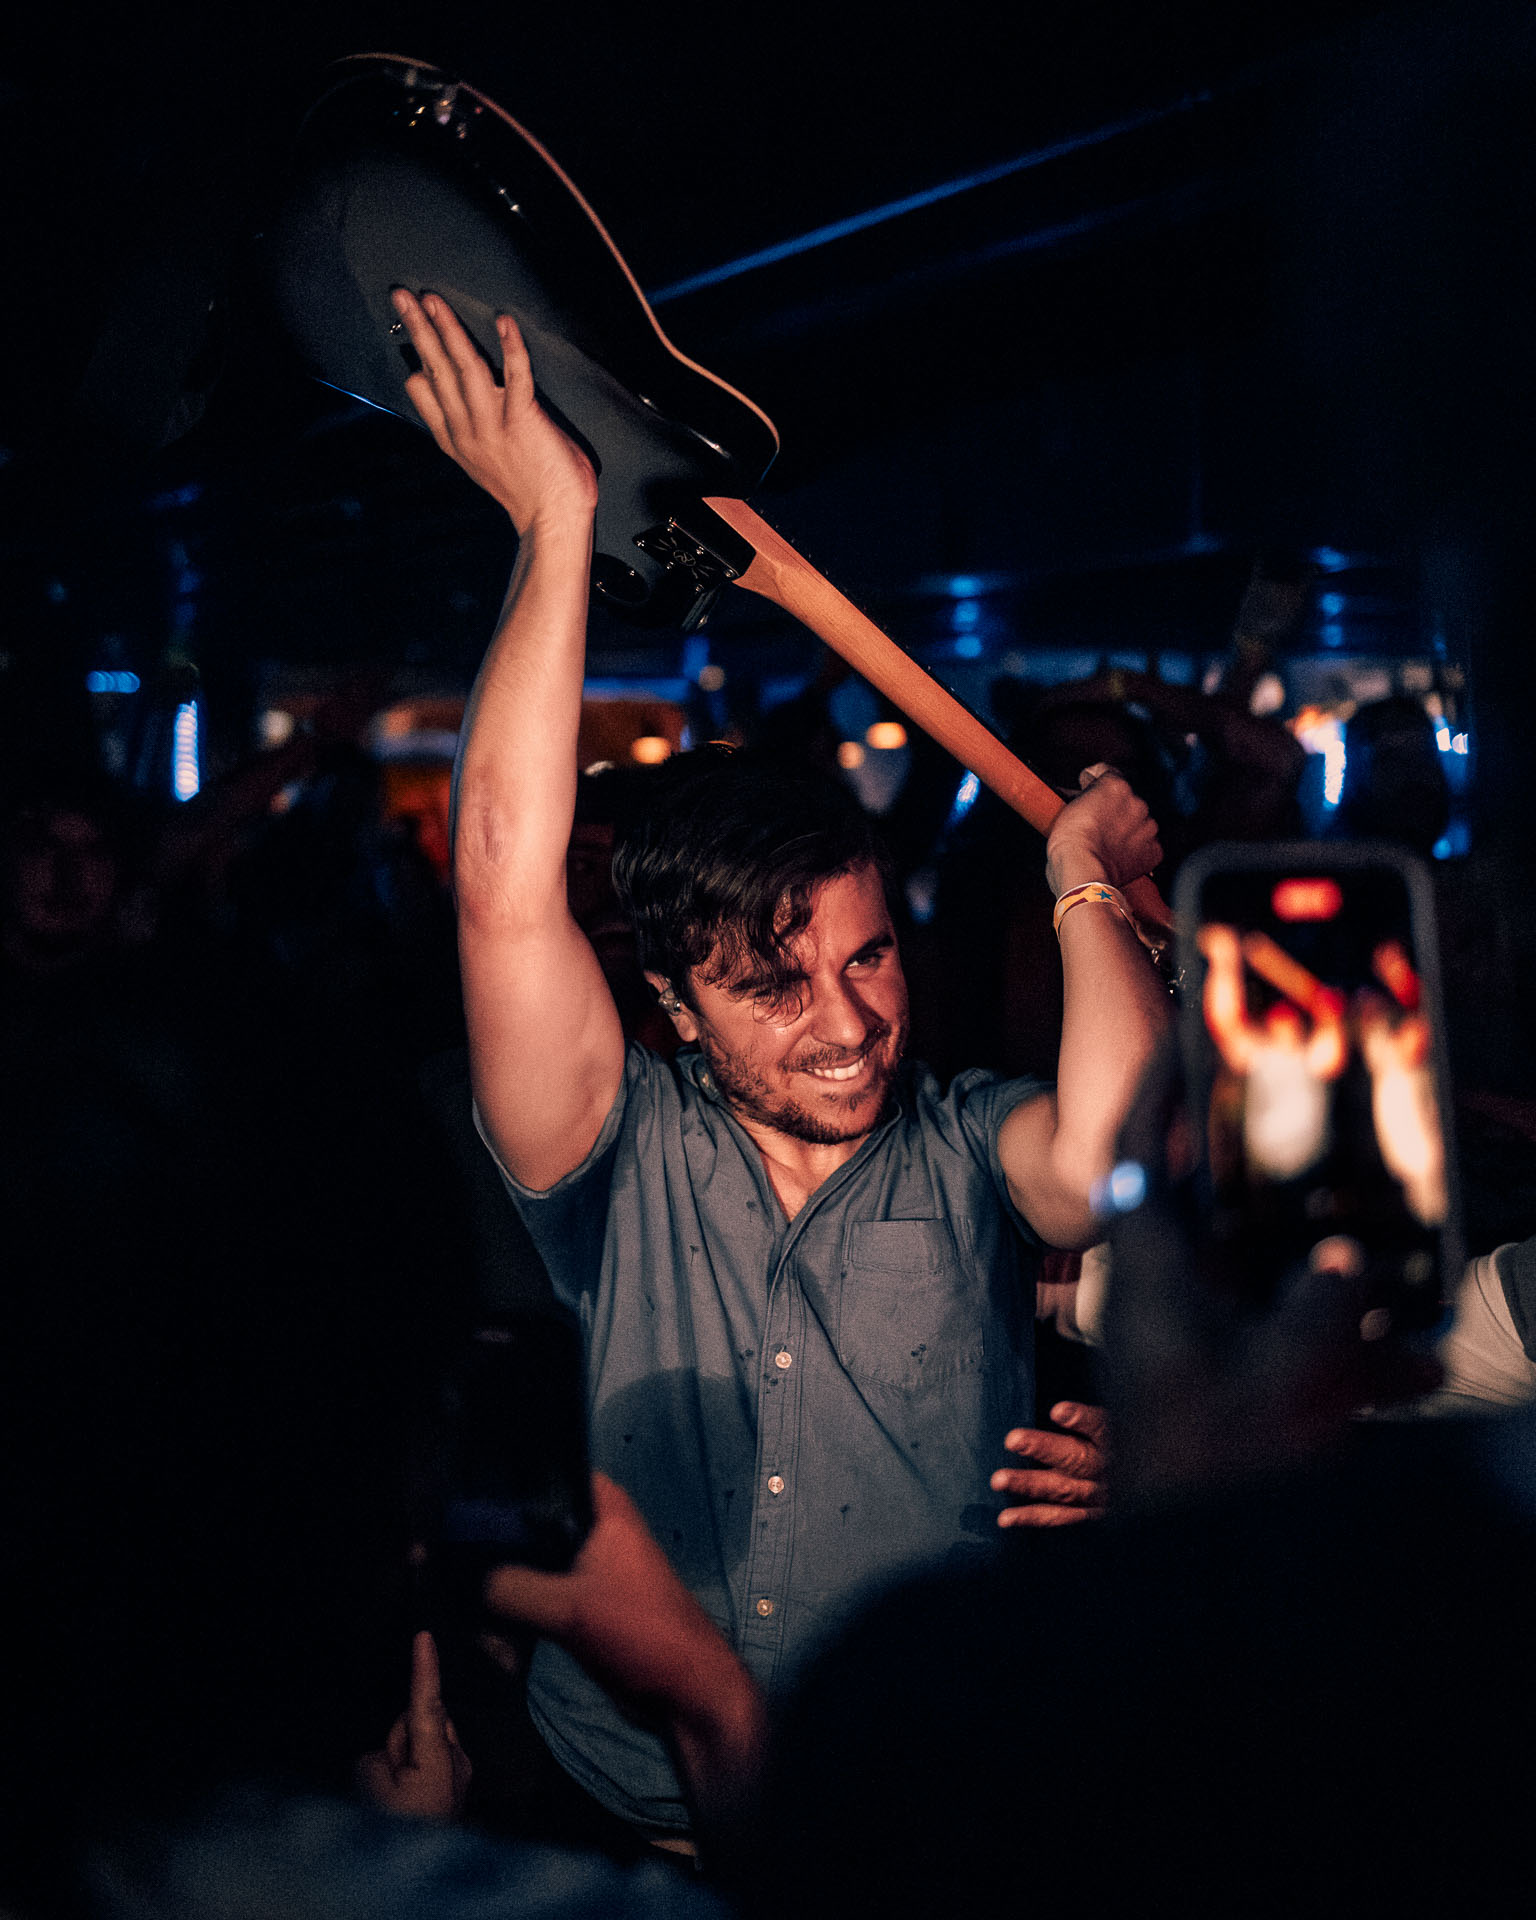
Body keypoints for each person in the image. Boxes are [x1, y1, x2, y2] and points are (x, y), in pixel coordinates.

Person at [389, 289, 1169, 1841]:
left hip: (916, 1803)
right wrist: (556, 527)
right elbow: (503, 888)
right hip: (631, 1811)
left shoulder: (964, 1139)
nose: (849, 1022)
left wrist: (1081, 880)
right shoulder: (610, 1148)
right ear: (675, 1004)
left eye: (868, 957)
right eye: (771, 987)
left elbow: (1096, 1171)